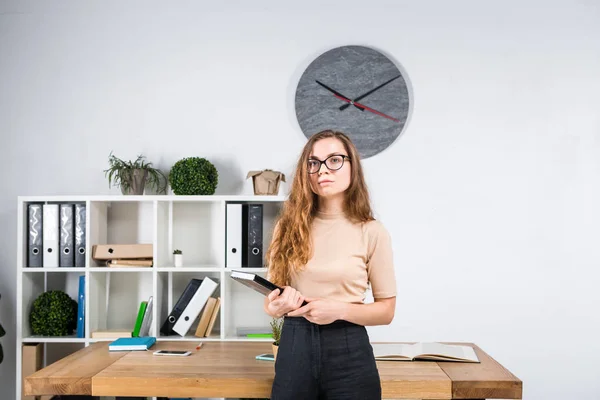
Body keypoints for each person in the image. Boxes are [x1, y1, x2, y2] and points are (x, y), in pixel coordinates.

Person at [263, 129, 397, 399]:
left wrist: (338, 310)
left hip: (349, 348)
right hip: (294, 345)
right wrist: (275, 306)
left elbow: (386, 311)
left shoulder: (372, 231)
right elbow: (271, 301)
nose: (323, 170)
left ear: (352, 166)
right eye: (313, 163)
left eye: (334, 160)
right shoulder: (286, 227)